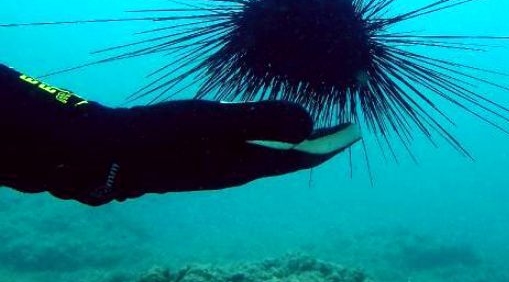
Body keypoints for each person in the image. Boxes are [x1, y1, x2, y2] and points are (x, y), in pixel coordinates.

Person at [0, 64, 360, 206]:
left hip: (100, 154)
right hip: (98, 163)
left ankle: (105, 163)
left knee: (103, 138)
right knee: (106, 144)